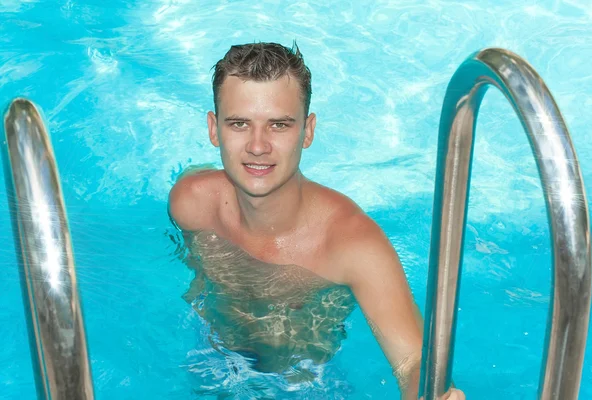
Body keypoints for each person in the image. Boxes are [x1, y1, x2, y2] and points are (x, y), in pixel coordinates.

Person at [168, 41, 465, 399]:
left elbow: (413, 361)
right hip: (213, 357)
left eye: (279, 124)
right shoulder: (192, 204)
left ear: (307, 131)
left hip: (305, 378)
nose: (258, 146)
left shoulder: (353, 245)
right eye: (239, 124)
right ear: (214, 129)